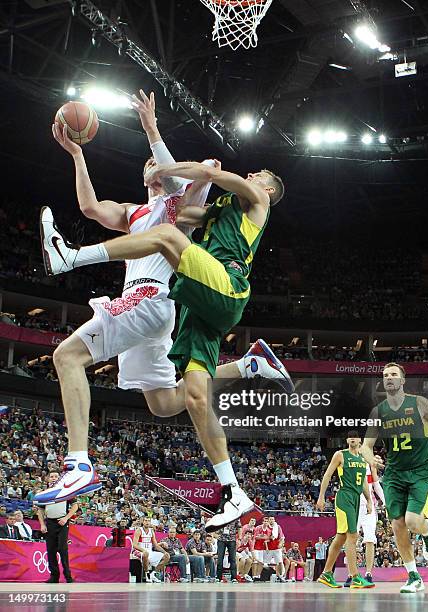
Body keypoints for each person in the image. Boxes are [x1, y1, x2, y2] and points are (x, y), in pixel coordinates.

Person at [34, 91, 291, 509]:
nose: (152, 167)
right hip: (155, 313)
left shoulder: (179, 206)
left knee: (67, 357)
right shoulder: (136, 212)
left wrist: (154, 133)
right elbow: (89, 207)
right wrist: (77, 155)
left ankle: (78, 463)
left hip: (152, 298)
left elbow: (181, 182)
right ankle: (246, 365)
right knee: (165, 403)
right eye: (148, 166)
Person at [360, 362, 428, 593]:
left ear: (402, 380)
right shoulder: (378, 411)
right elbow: (366, 446)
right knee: (397, 525)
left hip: (420, 471)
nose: (389, 378)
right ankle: (413, 576)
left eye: (393, 375)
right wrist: (371, 458)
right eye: (385, 375)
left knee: (412, 521)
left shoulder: (418, 403)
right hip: (394, 474)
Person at [317, 432, 374, 589]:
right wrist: (321, 496)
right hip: (344, 497)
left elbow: (363, 482)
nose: (353, 439)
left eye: (355, 436)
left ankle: (326, 573)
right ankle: (355, 577)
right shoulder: (340, 455)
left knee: (341, 537)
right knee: (353, 535)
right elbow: (328, 475)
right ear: (348, 440)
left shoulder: (363, 459)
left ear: (360, 440)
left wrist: (369, 500)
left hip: (356, 498)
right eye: (350, 437)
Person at [344, 461, 385, 586]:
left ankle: (368, 573)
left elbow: (376, 485)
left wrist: (385, 502)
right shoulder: (348, 462)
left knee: (369, 539)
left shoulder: (370, 465)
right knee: (350, 540)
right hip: (353, 506)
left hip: (369, 507)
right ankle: (351, 574)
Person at [35, 472, 78, 583]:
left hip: (62, 522)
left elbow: (75, 506)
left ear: (60, 479)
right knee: (51, 550)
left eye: (56, 477)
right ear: (47, 479)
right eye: (51, 477)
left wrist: (66, 518)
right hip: (50, 523)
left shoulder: (66, 491)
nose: (53, 478)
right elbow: (40, 510)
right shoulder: (44, 493)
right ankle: (54, 576)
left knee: (63, 549)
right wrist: (42, 524)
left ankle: (68, 576)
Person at [131, 517, 169, 583]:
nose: (147, 522)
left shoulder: (151, 531)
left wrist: (164, 552)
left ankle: (153, 574)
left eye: (149, 521)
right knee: (146, 554)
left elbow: (156, 545)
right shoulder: (139, 530)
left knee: (167, 556)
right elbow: (134, 545)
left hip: (149, 551)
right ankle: (147, 574)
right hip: (138, 551)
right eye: (146, 520)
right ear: (143, 522)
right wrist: (143, 550)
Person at [265, 516, 285, 582]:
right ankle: (259, 576)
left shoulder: (278, 527)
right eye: (270, 519)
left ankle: (280, 576)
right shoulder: (266, 527)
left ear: (274, 520)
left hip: (276, 548)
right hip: (268, 549)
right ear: (268, 520)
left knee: (279, 562)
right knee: (264, 563)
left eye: (273, 519)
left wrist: (281, 544)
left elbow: (282, 537)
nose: (271, 520)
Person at [252, 516, 271, 581]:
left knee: (261, 562)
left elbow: (268, 539)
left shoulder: (268, 530)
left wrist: (262, 537)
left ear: (268, 523)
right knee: (255, 562)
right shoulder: (258, 528)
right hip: (256, 547)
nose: (265, 522)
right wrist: (263, 537)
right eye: (264, 521)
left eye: (267, 521)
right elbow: (255, 537)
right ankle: (254, 576)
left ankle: (258, 575)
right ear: (262, 522)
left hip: (262, 548)